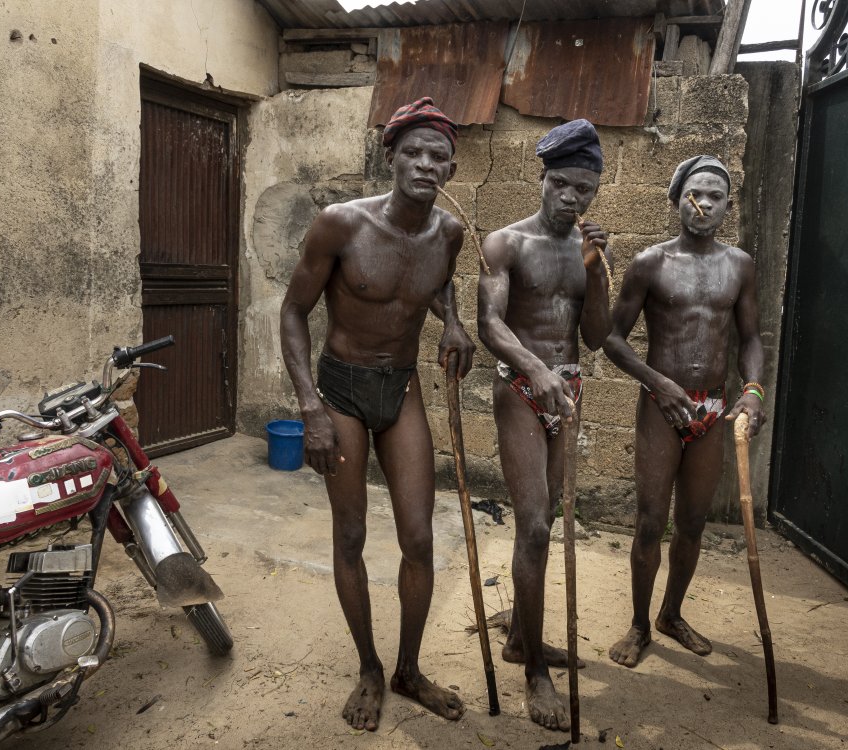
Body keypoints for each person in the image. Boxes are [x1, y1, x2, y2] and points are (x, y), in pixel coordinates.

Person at [279, 97, 475, 731]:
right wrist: (309, 404)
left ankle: (407, 669)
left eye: (438, 155)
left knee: (419, 537)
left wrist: (453, 323)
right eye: (413, 152)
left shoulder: (449, 232)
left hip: (402, 388)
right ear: (389, 156)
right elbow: (292, 313)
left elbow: (438, 280)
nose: (425, 163)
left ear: (451, 166)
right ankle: (368, 666)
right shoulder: (341, 225)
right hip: (339, 392)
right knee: (353, 535)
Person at [603, 155, 765, 668]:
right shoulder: (651, 263)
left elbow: (752, 339)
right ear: (678, 200)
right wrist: (657, 382)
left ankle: (672, 614)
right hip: (660, 406)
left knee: (692, 522)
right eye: (696, 193)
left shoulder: (739, 265)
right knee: (651, 523)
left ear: (727, 207)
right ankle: (638, 624)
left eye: (716, 195)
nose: (705, 203)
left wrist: (754, 390)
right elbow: (610, 337)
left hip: (713, 407)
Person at [477, 119, 612, 730]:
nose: (571, 198)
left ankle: (520, 641)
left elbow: (595, 336)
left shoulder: (584, 249)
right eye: (561, 183)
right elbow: (490, 324)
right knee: (532, 525)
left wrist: (600, 268)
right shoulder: (506, 243)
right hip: (522, 391)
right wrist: (535, 368)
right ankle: (535, 672)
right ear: (542, 176)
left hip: (570, 391)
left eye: (583, 190)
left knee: (550, 521)